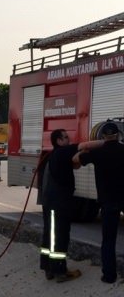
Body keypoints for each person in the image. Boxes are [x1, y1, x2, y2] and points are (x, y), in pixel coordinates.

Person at [73, 122, 124, 284]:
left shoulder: (98, 153)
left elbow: (75, 160)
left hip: (108, 202)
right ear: (118, 135)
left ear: (103, 136)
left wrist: (89, 147)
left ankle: (109, 276)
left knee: (108, 241)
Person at [38, 129, 82, 282]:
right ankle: (60, 272)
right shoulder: (62, 152)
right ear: (59, 141)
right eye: (66, 137)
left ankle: (48, 268)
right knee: (60, 236)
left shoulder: (53, 156)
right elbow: (83, 146)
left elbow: (74, 165)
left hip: (49, 203)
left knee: (49, 235)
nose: (69, 139)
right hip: (58, 204)